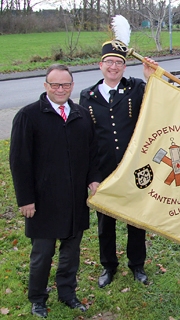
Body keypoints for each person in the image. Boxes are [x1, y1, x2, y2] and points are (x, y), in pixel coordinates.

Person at [9, 64, 101, 318]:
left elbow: (92, 154)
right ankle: (38, 298)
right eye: (55, 85)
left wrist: (94, 180)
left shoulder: (81, 115)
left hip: (74, 201)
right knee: (42, 254)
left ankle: (67, 292)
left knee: (71, 253)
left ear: (72, 86)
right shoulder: (28, 116)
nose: (61, 89)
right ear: (46, 86)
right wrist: (25, 199)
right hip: (43, 201)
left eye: (66, 85)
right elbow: (19, 161)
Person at [79, 41, 157, 288]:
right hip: (104, 170)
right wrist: (92, 176)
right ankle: (108, 266)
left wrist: (151, 78)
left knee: (136, 221)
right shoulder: (87, 96)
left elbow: (156, 103)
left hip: (134, 168)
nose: (114, 67)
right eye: (109, 62)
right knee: (106, 223)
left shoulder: (136, 88)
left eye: (119, 62)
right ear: (100, 65)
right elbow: (86, 139)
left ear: (124, 66)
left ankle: (137, 265)